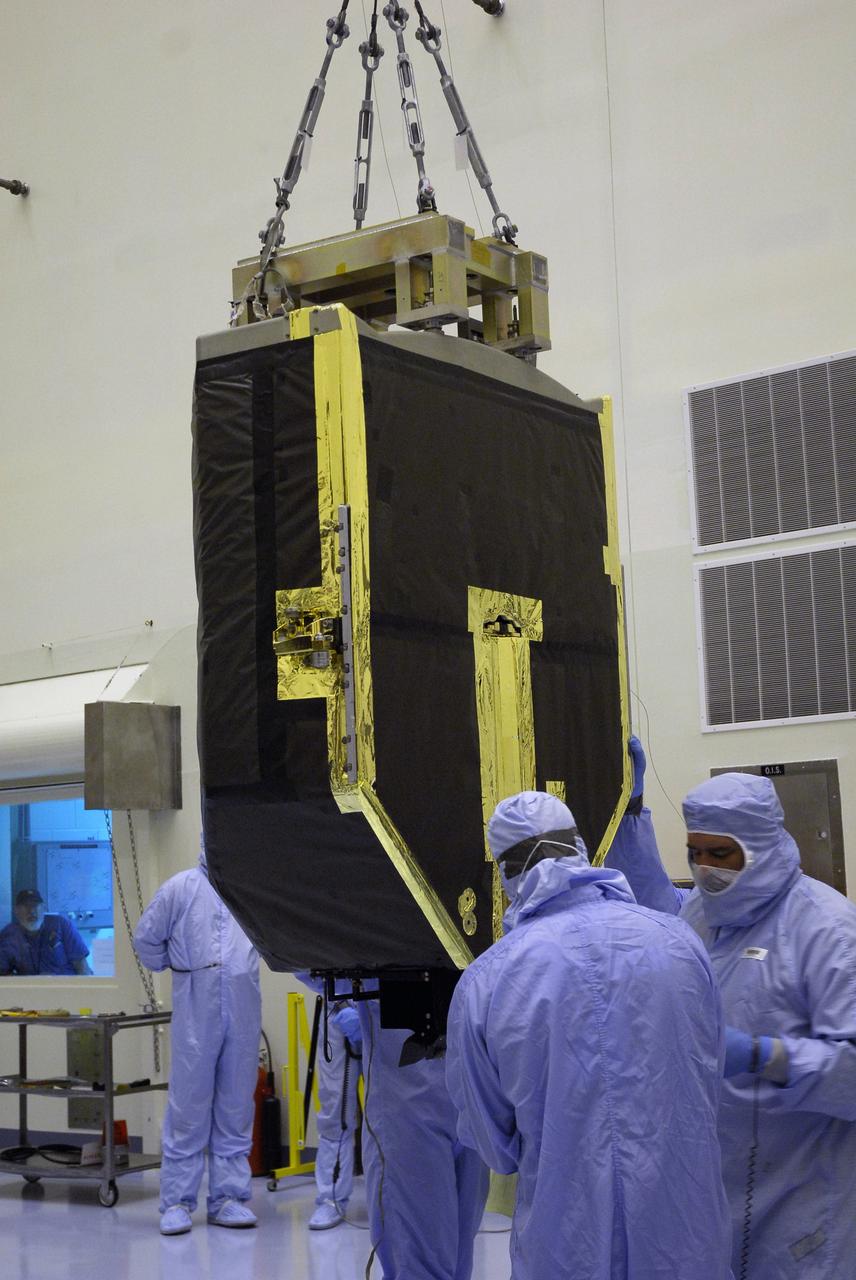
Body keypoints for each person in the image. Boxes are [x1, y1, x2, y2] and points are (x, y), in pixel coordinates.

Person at [446, 790, 733, 1280]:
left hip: (568, 1243)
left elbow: (494, 1147)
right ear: (580, 846)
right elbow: (710, 1080)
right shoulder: (679, 941)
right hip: (685, 1238)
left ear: (505, 873)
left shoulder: (486, 981)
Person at [606, 752, 856, 1279]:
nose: (706, 870)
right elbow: (649, 905)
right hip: (712, 1186)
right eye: (695, 854)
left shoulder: (827, 931)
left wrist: (768, 1056)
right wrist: (629, 811)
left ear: (760, 848)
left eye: (721, 854)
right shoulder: (702, 913)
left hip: (799, 1193)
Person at [134, 840, 261, 1236]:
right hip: (195, 1004)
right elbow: (145, 939)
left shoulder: (249, 891)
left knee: (236, 1102)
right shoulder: (181, 888)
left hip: (243, 1004)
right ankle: (176, 1202)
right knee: (188, 1103)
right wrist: (176, 966)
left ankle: (229, 1198)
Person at [357, 991, 489, 1280]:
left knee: (460, 1251)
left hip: (469, 1085)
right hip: (405, 1095)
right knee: (417, 1260)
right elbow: (307, 953)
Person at [295, 974, 363, 1231]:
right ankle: (331, 1198)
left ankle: (394, 1201)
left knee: (391, 1114)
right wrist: (340, 1001)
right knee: (336, 1110)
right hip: (338, 1012)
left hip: (386, 1008)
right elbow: (301, 959)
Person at [0, 889, 91, 975]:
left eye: (35, 905)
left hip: (65, 988)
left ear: (43, 908)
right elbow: (3, 974)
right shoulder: (9, 934)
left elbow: (83, 967)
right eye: (25, 906)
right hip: (30, 990)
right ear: (16, 910)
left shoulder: (61, 925)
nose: (31, 911)